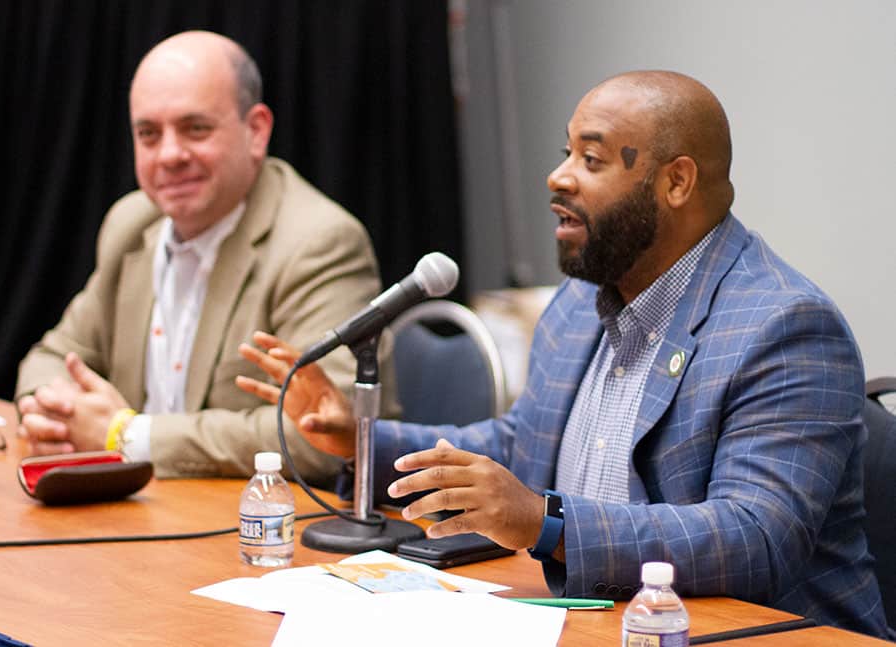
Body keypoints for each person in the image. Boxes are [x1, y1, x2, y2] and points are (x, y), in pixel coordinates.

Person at [236, 70, 892, 637]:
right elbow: (524, 444)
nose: (558, 176)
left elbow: (753, 539)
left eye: (592, 159)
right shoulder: (581, 301)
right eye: (565, 152)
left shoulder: (785, 325)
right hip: (595, 623)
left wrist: (546, 521)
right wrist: (363, 442)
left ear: (676, 182)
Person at [15, 31, 396, 484]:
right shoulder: (132, 223)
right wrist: (52, 413)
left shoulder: (319, 242)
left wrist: (126, 435)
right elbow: (49, 357)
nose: (170, 155)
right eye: (149, 134)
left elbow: (322, 433)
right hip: (139, 514)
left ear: (255, 131)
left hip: (258, 531)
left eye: (195, 128)